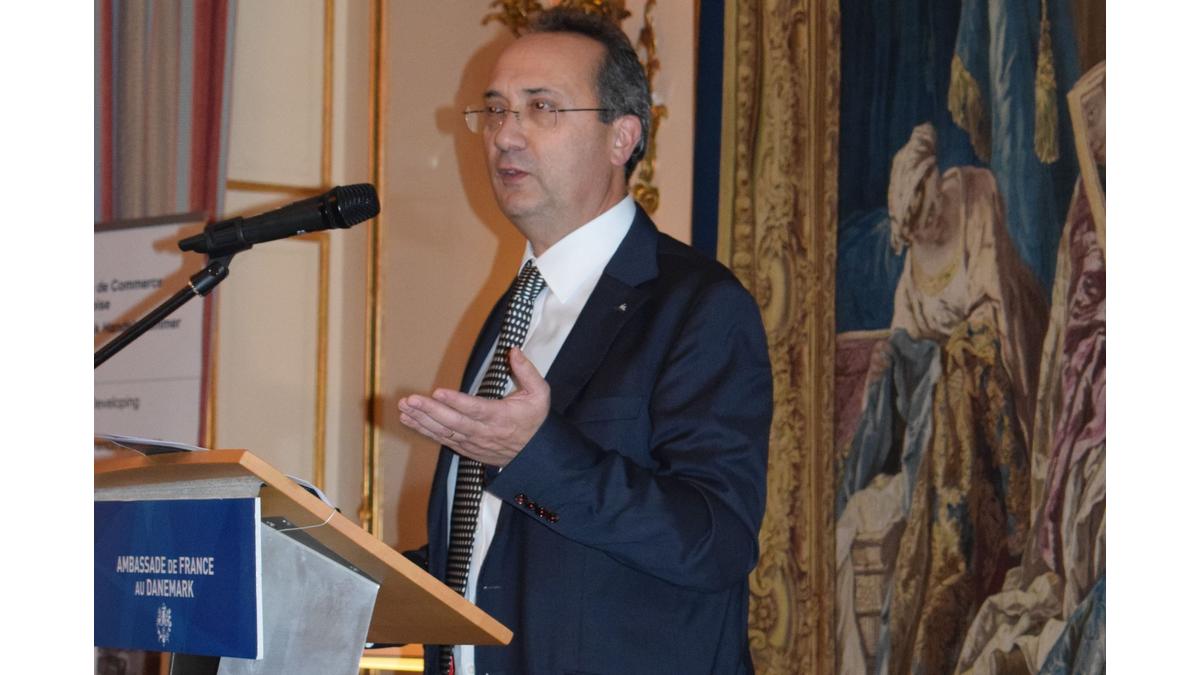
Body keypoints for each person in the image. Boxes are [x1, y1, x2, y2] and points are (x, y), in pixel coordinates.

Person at [396, 8, 772, 675]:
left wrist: (536, 454)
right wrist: (333, 570)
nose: (506, 134)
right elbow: (495, 551)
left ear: (622, 136)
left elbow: (714, 540)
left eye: (541, 108)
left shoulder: (697, 306)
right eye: (495, 110)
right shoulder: (515, 308)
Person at [836, 123, 1048, 674]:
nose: (929, 230)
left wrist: (949, 352)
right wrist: (890, 360)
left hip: (1000, 369)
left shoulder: (974, 193)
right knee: (937, 387)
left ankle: (1018, 520)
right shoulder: (915, 258)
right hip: (950, 401)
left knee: (961, 363)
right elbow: (905, 332)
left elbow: (994, 305)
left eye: (929, 214)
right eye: (918, 228)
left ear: (936, 186)